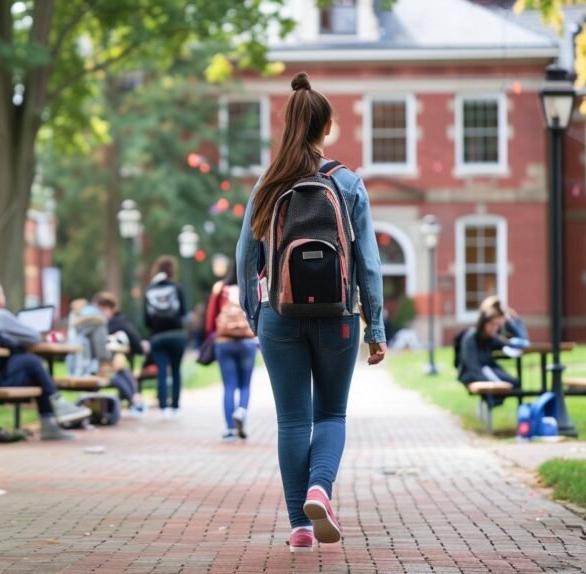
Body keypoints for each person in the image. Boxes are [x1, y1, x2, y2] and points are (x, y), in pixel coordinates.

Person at [235, 72, 387, 552]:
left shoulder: (268, 182)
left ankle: (300, 526)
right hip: (338, 316)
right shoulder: (347, 184)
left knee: (292, 422)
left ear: (288, 123)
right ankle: (321, 488)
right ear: (325, 128)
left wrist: (254, 314)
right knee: (331, 415)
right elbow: (368, 262)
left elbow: (245, 257)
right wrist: (375, 326)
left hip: (279, 314)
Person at [0, 277, 91, 441]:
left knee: (33, 369)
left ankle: (52, 417)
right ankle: (56, 408)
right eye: (1, 292)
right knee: (31, 362)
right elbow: (32, 336)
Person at [65, 295, 146, 412]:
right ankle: (135, 401)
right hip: (88, 369)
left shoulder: (79, 322)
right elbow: (102, 352)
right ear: (102, 308)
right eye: (110, 311)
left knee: (120, 369)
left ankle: (134, 400)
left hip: (75, 365)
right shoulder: (98, 322)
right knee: (118, 371)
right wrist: (112, 357)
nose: (111, 315)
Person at [204, 267, 257, 442]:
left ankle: (229, 428)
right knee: (245, 385)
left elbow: (211, 318)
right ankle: (241, 411)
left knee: (229, 386)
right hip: (247, 341)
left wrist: (213, 335)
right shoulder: (251, 285)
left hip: (224, 342)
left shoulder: (220, 288)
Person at [143, 256, 188, 418]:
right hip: (176, 334)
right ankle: (175, 406)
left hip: (157, 336)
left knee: (162, 371)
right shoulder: (176, 287)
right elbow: (183, 312)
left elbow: (146, 319)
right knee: (176, 371)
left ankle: (163, 407)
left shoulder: (149, 290)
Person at [457, 300, 524, 406]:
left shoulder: (491, 338)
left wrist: (516, 322)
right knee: (503, 386)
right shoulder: (470, 338)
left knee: (515, 383)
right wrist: (489, 383)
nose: (496, 328)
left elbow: (515, 344)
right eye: (494, 325)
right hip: (472, 374)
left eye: (498, 326)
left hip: (488, 371)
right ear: (484, 323)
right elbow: (472, 367)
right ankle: (489, 406)